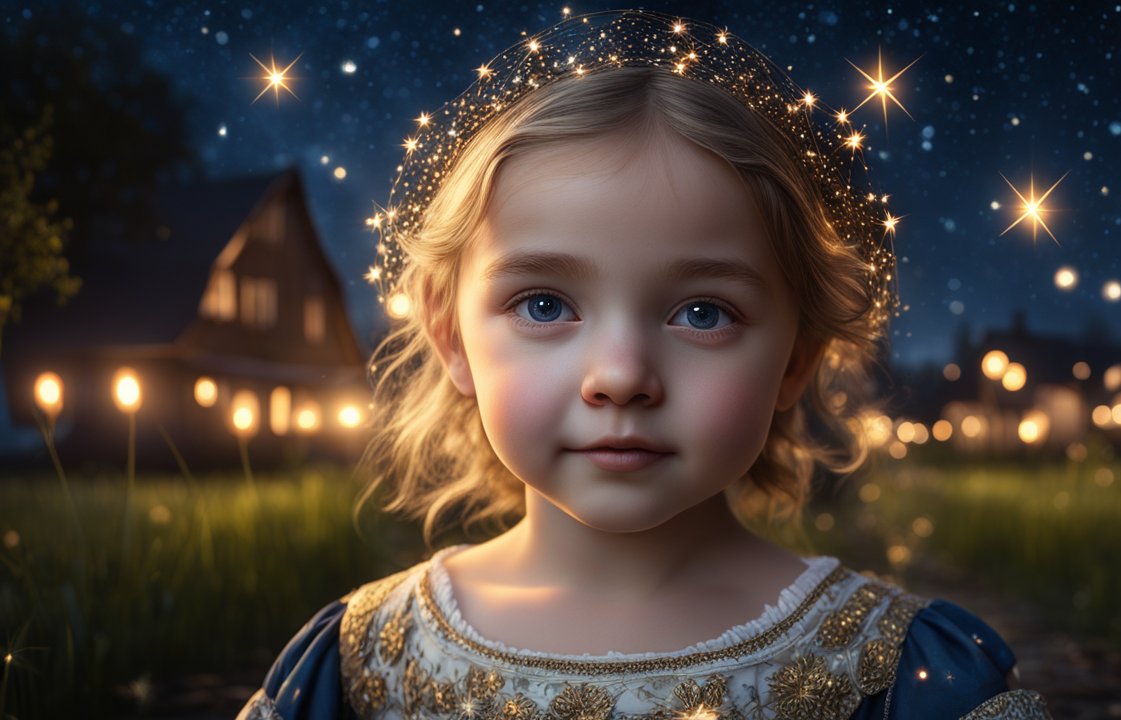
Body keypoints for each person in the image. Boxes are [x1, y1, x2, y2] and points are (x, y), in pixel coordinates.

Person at [238, 10, 1052, 720]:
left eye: (703, 313)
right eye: (544, 305)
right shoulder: (359, 661)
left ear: (796, 359)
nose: (621, 376)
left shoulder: (902, 674)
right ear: (451, 337)